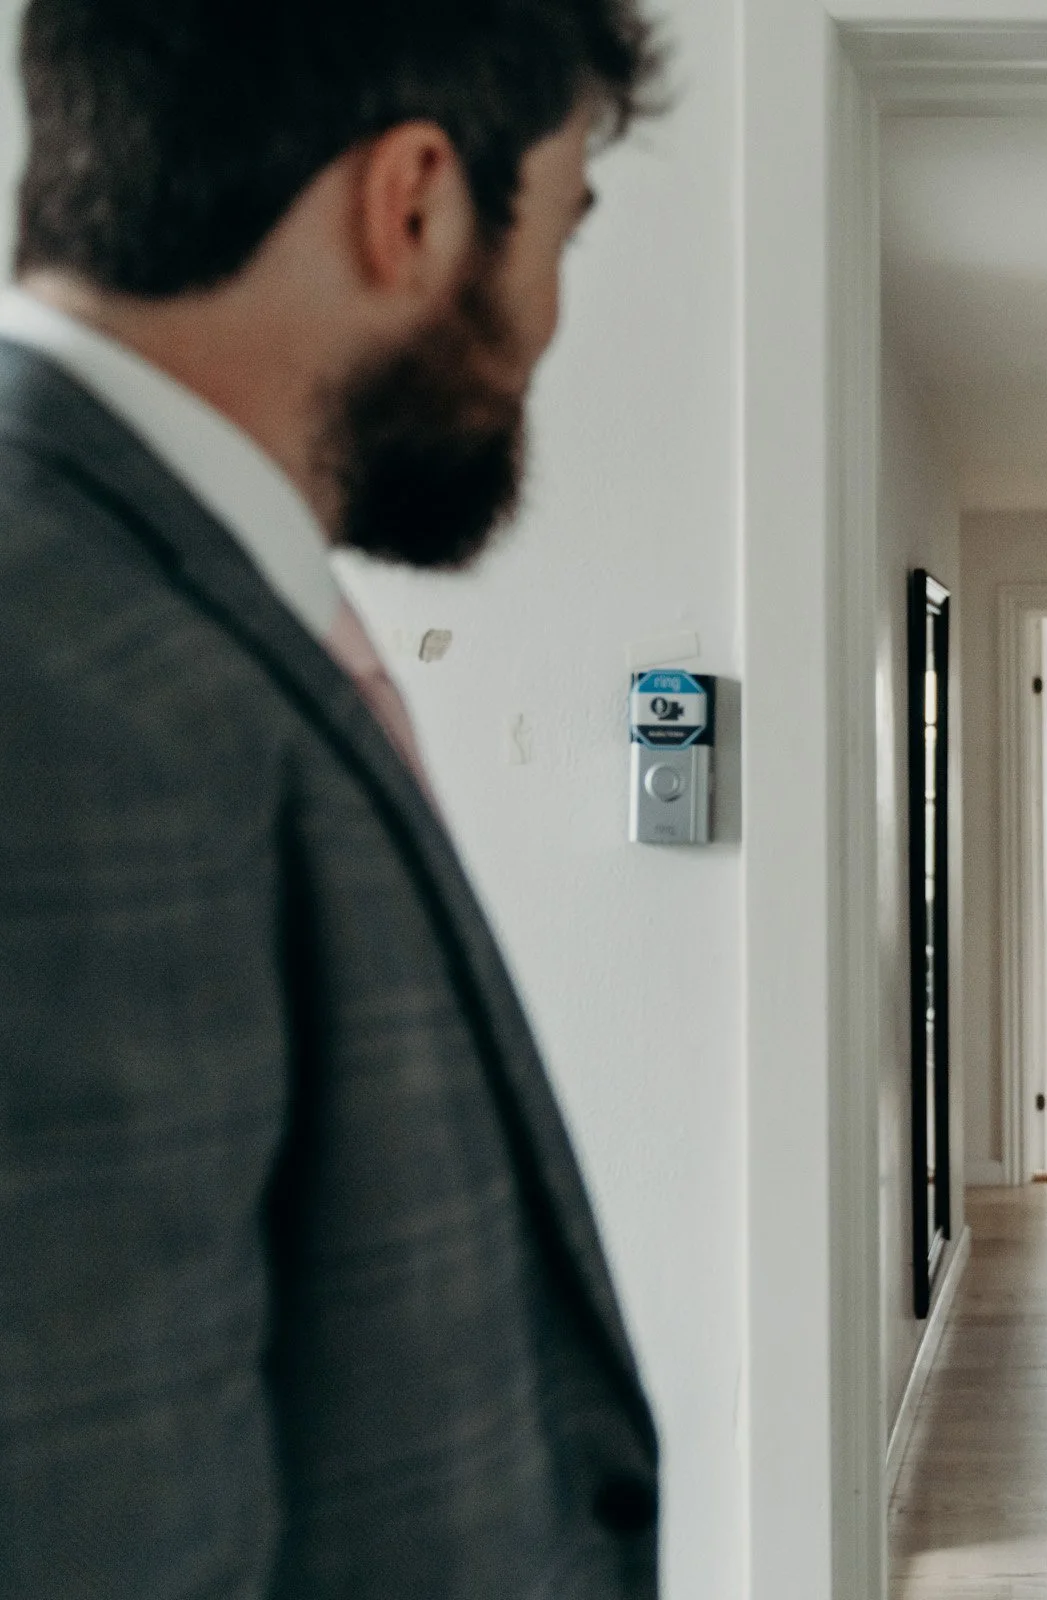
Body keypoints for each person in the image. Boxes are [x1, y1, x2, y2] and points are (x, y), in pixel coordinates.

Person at [0, 4, 665, 1595]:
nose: (549, 321)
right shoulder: (56, 692)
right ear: (414, 202)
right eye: (560, 233)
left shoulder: (152, 597)